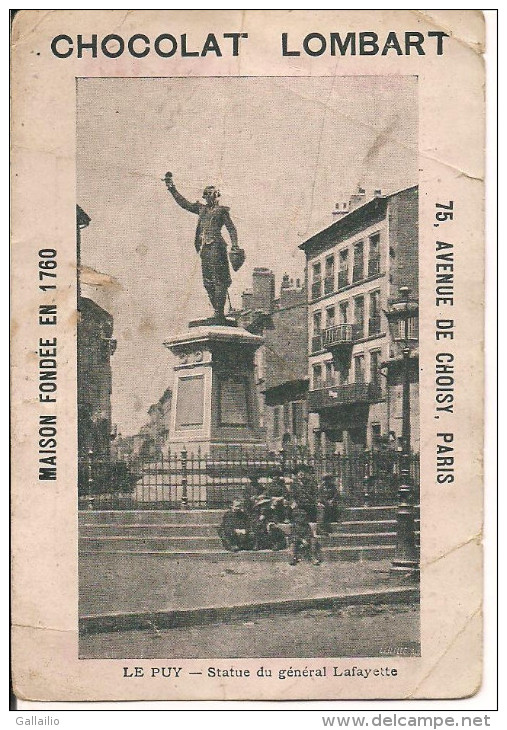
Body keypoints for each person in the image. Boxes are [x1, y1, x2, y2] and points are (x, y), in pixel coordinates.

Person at [164, 172, 241, 320]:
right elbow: (184, 203)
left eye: (213, 195)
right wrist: (172, 188)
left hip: (217, 247)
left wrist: (235, 246)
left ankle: (219, 312)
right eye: (207, 196)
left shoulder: (221, 211)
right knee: (207, 281)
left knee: (219, 280)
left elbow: (231, 228)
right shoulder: (201, 209)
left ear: (216, 197)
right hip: (204, 249)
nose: (210, 198)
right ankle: (217, 310)